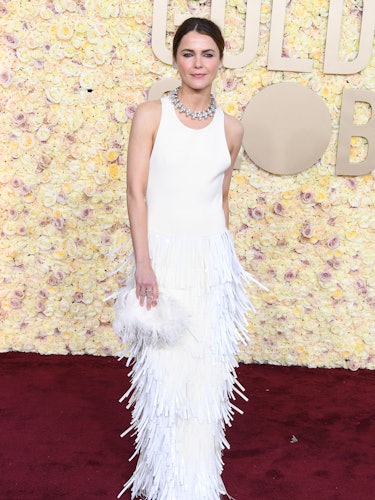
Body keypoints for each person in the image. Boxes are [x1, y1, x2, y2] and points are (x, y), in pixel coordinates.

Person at [115, 17, 266, 500]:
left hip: (212, 262)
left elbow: (220, 201)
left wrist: (228, 265)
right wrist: (144, 262)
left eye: (207, 54)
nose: (198, 63)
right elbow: (136, 193)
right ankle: (164, 480)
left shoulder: (233, 129)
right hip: (161, 256)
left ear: (221, 59)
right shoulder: (150, 115)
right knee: (164, 376)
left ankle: (199, 482)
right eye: (188, 53)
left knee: (206, 373)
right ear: (175, 58)